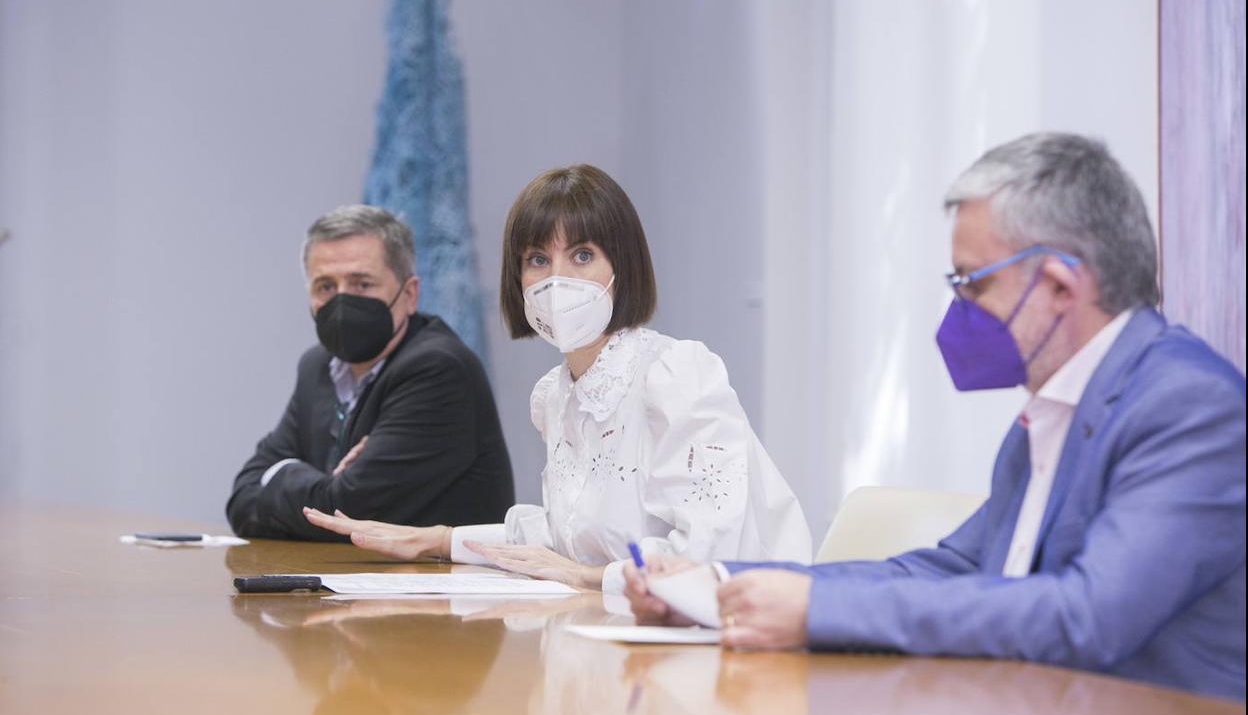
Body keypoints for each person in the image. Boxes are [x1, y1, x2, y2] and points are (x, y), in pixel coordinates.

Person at [625, 133, 1246, 701]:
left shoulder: (1189, 404)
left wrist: (815, 610)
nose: (959, 308)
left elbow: (1086, 616)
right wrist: (717, 587)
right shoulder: (1050, 413)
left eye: (972, 284)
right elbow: (946, 569)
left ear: (1060, 285)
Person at [306, 164, 811, 593]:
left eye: (583, 256)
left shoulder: (677, 374)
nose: (557, 279)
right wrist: (435, 540)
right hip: (619, 637)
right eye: (538, 260)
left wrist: (584, 578)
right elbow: (562, 537)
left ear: (625, 265)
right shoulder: (557, 394)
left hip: (737, 644)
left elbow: (706, 555)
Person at [226, 206, 514, 540]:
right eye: (325, 287)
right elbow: (242, 496)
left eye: (362, 284)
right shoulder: (317, 368)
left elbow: (348, 510)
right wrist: (326, 485)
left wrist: (281, 476)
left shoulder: (438, 369)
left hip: (443, 586)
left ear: (408, 295)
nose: (342, 301)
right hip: (345, 582)